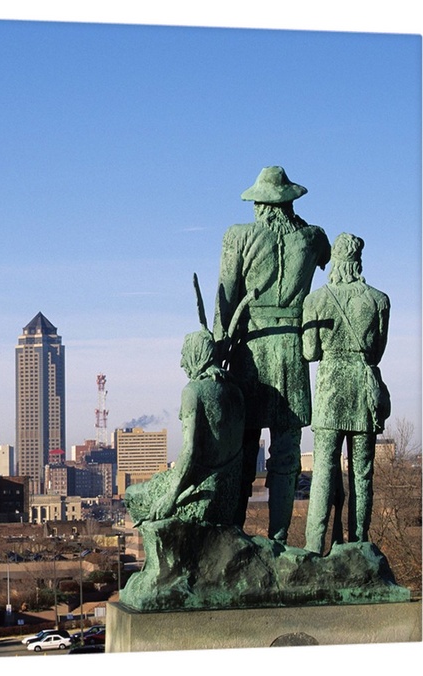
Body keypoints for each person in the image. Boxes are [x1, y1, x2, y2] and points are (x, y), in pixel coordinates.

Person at [213, 166, 330, 542]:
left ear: (261, 204)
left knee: (243, 449)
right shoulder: (311, 237)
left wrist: (216, 349)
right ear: (290, 201)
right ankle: (278, 536)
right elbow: (327, 254)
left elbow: (225, 298)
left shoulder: (239, 237)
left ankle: (235, 533)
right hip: (293, 349)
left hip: (250, 350)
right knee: (286, 451)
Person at [302, 233, 390, 554]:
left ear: (335, 261)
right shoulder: (378, 300)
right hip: (363, 393)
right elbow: (376, 353)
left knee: (323, 471)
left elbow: (310, 351)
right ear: (359, 260)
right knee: (362, 473)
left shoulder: (315, 300)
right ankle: (359, 545)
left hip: (329, 392)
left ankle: (313, 546)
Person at [126, 328, 245, 527]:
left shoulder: (193, 390)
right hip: (228, 496)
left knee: (131, 495)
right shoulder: (236, 392)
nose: (182, 363)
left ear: (197, 354)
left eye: (184, 355)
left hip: (201, 491)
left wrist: (171, 496)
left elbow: (189, 450)